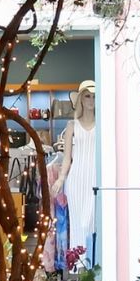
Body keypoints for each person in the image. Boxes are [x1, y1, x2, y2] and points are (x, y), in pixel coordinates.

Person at [51, 80, 97, 257]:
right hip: (77, 179)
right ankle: (80, 265)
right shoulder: (72, 126)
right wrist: (61, 179)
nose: (91, 100)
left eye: (94, 97)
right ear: (81, 100)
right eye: (87, 96)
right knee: (78, 224)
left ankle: (95, 262)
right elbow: (67, 158)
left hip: (95, 177)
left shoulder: (103, 124)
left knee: (92, 222)